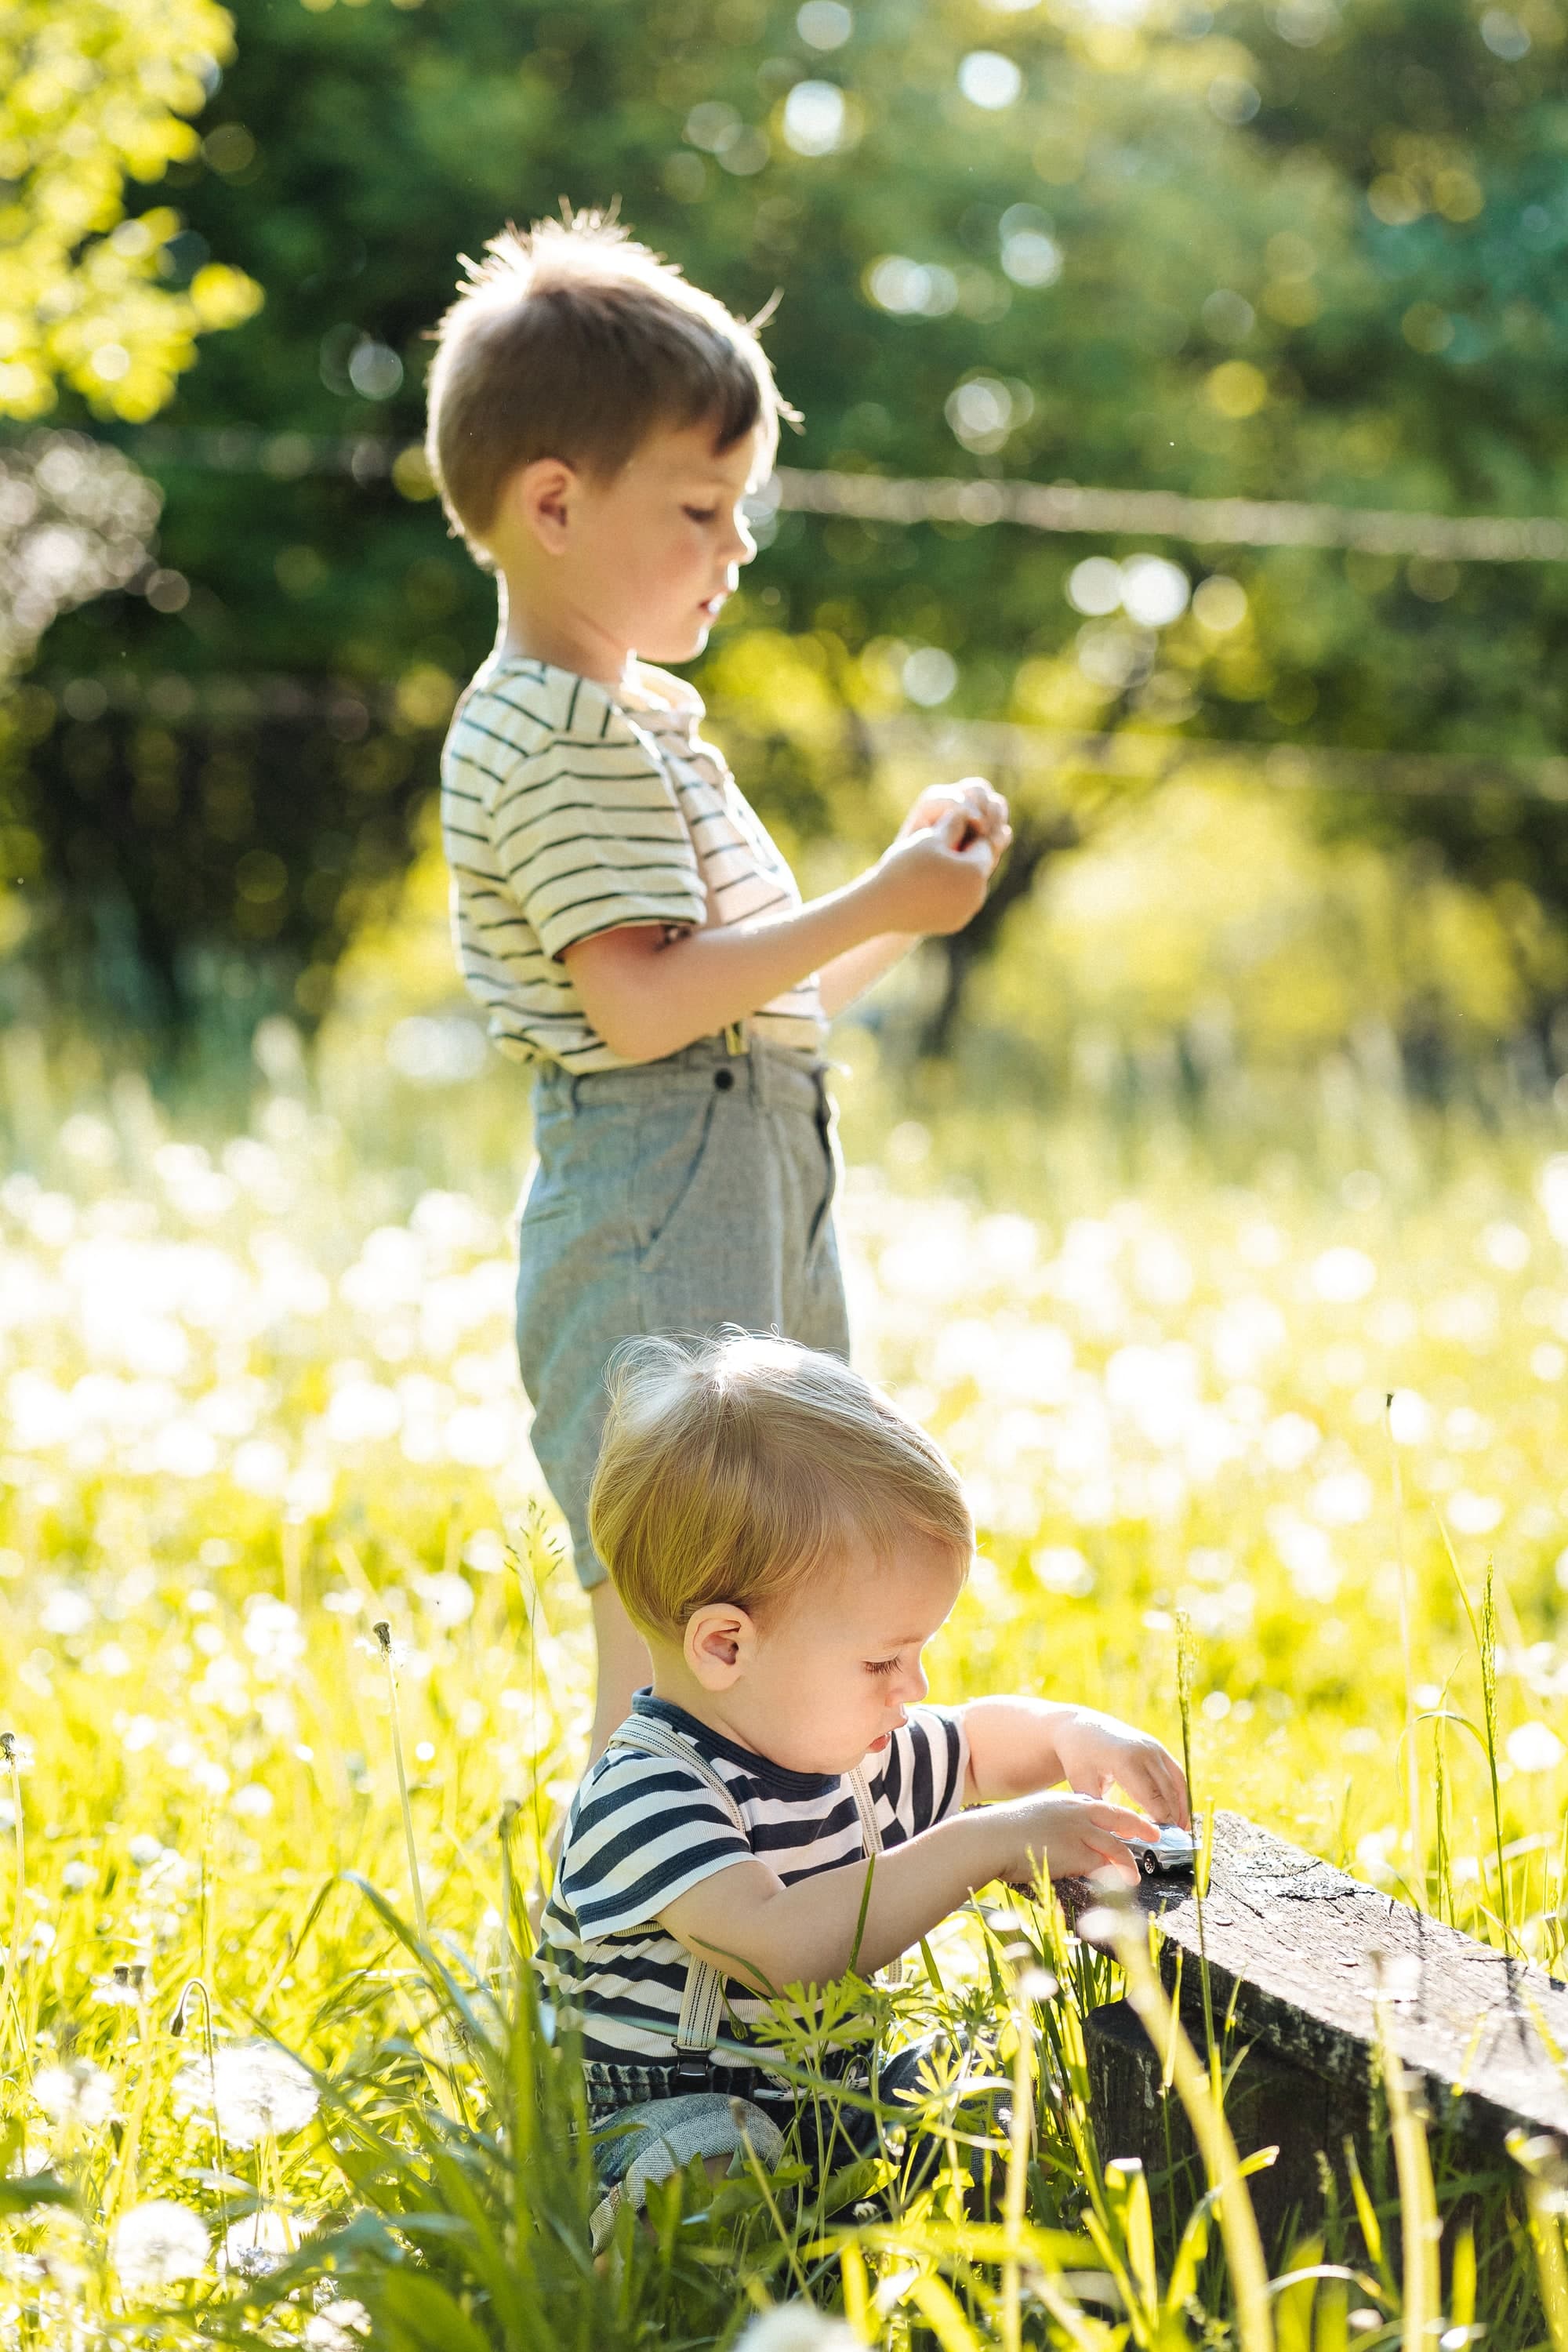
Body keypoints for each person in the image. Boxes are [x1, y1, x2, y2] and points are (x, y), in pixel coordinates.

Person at [424, 211, 1011, 1763]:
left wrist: (903, 902)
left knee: (792, 1559)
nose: (736, 547)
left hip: (749, 1168)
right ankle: (636, 1932)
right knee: (678, 1581)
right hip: (656, 1200)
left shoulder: (638, 727)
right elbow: (641, 1007)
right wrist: (876, 896)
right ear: (554, 503)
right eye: (701, 507)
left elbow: (759, 1000)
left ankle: (786, 1888)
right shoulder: (548, 734)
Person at [534, 1333, 1190, 2245]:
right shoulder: (646, 1792)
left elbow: (969, 1746)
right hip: (646, 2129)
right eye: (884, 1659)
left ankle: (928, 2240)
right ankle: (642, 2291)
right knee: (712, 2168)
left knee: (988, 2087)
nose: (913, 1689)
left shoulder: (845, 1746)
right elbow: (780, 1945)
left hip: (822, 2108)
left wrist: (1070, 1733)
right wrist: (994, 1840)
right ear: (726, 1645)